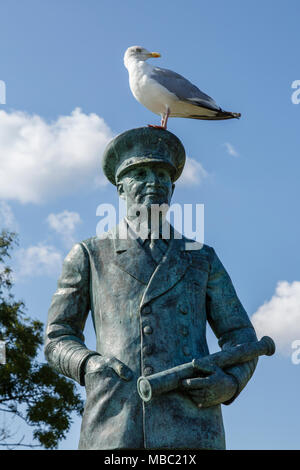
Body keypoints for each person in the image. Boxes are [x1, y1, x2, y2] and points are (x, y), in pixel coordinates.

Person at [44, 127, 257, 450]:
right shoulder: (90, 255)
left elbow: (241, 337)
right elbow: (58, 336)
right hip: (115, 422)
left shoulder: (201, 257)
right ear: (121, 187)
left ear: (172, 188)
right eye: (140, 173)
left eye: (161, 174)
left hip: (191, 425)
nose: (153, 182)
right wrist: (89, 365)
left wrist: (228, 383)